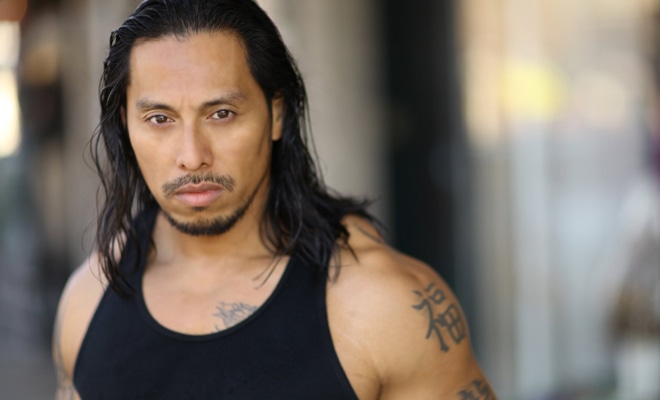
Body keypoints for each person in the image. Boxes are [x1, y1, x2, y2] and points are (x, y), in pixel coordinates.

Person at [53, 0, 495, 398]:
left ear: (277, 113)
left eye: (221, 113)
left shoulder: (384, 306)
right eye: (159, 118)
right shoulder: (88, 299)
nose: (191, 155)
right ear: (126, 127)